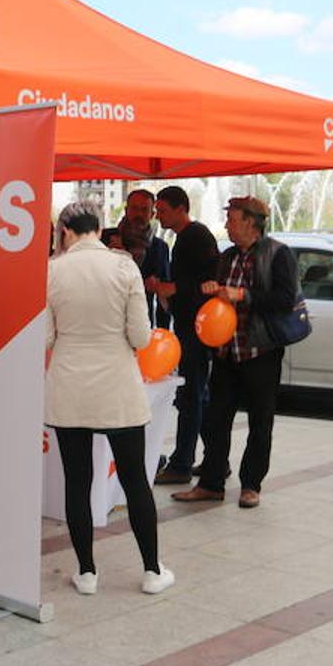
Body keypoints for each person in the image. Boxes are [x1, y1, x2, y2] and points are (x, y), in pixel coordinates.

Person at [47, 201, 173, 596]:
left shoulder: (52, 271)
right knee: (136, 479)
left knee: (77, 482)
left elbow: (46, 337)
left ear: (65, 231)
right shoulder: (124, 267)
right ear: (99, 230)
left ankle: (86, 572)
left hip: (69, 387)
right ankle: (152, 570)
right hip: (117, 387)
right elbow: (140, 337)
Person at [173, 196, 299, 509]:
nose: (227, 224)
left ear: (250, 222)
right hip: (227, 350)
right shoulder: (227, 256)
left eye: (231, 218)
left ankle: (251, 485)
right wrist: (213, 290)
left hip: (261, 350)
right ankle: (211, 483)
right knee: (217, 420)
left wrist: (242, 295)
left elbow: (285, 299)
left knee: (260, 420)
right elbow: (221, 295)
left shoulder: (278, 254)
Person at [149, 186, 221, 485]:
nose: (158, 216)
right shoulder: (183, 239)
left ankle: (182, 462)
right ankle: (217, 459)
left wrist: (172, 289)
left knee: (191, 394)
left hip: (197, 328)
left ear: (181, 209)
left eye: (163, 210)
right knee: (196, 395)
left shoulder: (197, 236)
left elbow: (209, 280)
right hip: (189, 325)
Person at [103, 189, 171, 328]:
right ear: (126, 210)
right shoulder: (106, 238)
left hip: (141, 324)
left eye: (144, 209)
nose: (139, 214)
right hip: (107, 321)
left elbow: (163, 295)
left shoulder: (159, 247)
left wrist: (163, 332)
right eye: (134, 208)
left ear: (152, 214)